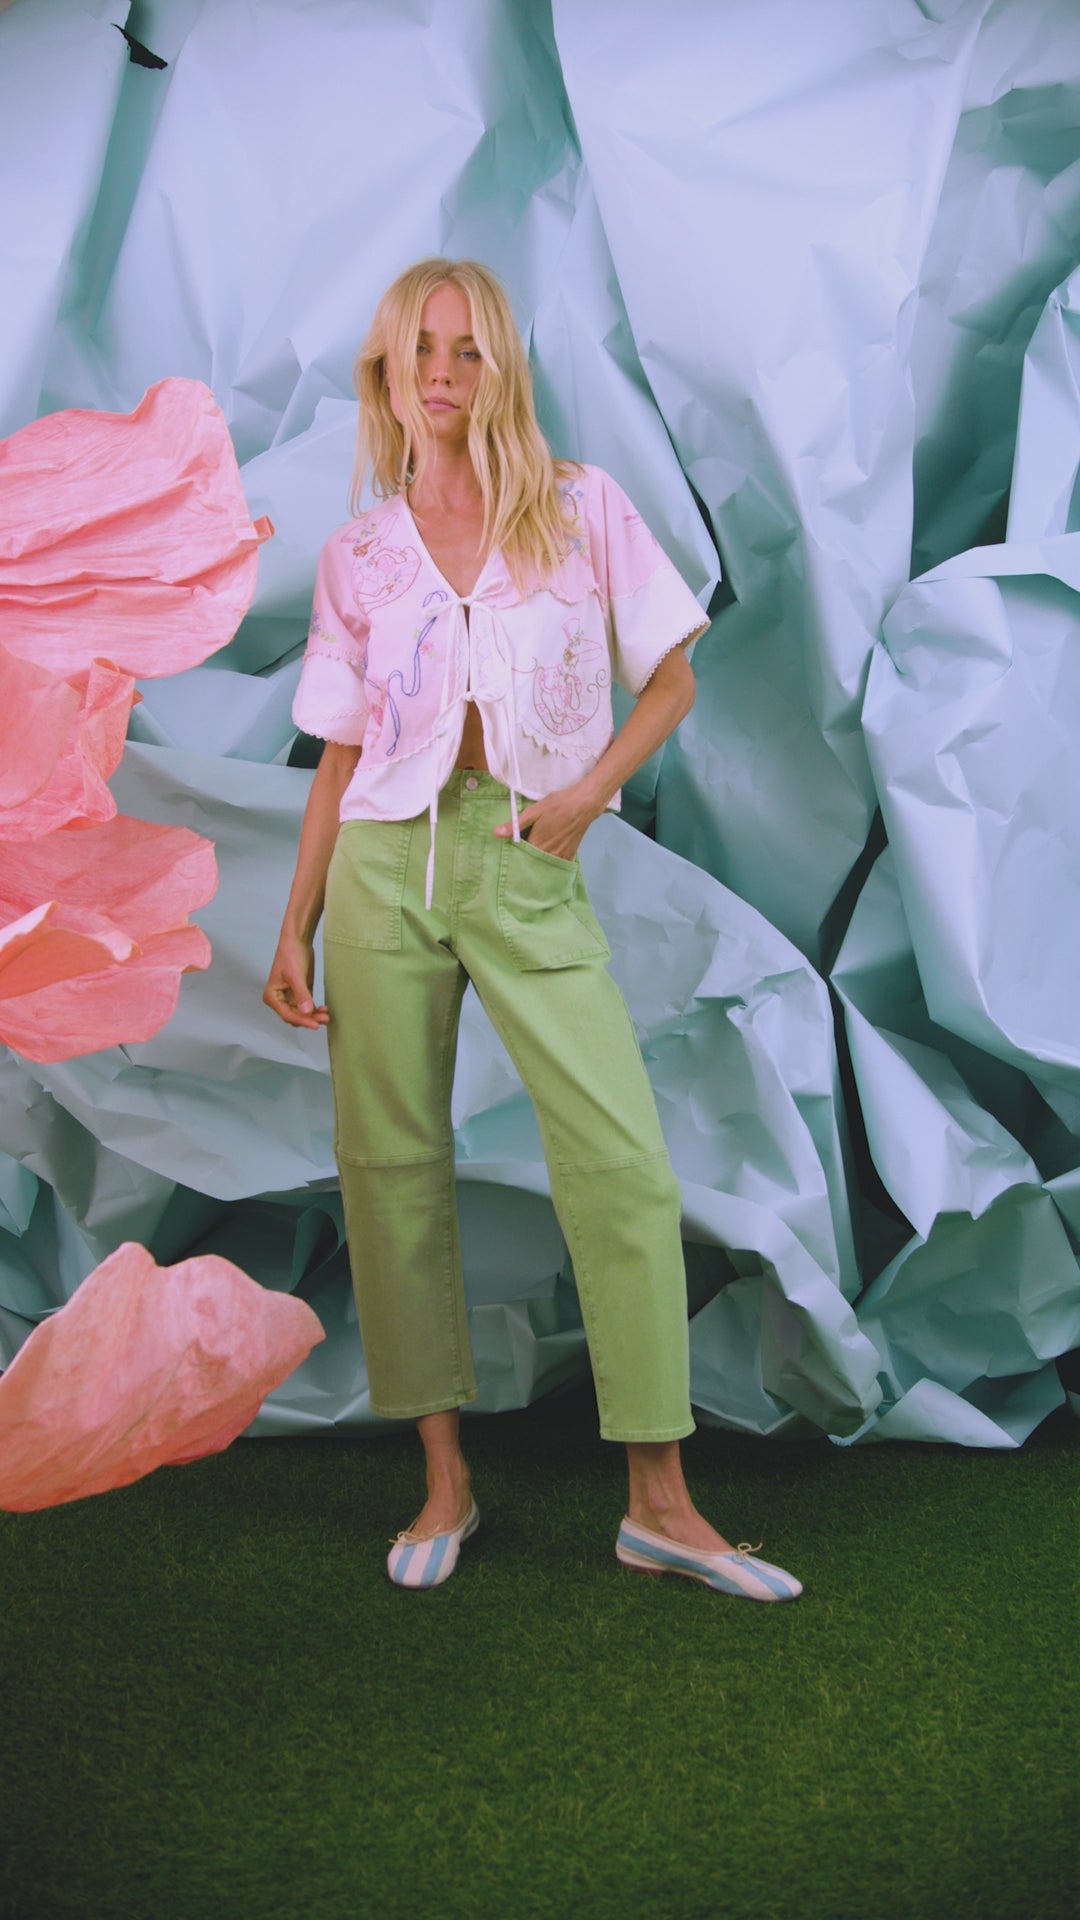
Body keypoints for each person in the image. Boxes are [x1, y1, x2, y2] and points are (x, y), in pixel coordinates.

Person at [263, 258, 801, 1604]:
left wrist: (585, 794)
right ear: (386, 376)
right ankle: (444, 1483)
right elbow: (338, 758)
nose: (441, 373)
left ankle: (661, 1506)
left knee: (623, 1165)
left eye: (467, 349)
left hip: (523, 853)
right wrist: (295, 924)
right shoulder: (359, 555)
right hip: (383, 869)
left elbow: (673, 678)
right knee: (391, 1169)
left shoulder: (578, 509)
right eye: (417, 351)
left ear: (501, 367)